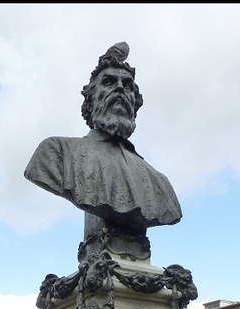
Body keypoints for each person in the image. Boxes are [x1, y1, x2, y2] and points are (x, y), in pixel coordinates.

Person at [24, 42, 182, 249]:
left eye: (127, 86)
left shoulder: (160, 182)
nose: (119, 88)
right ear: (90, 101)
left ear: (135, 103)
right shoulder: (56, 152)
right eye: (109, 82)